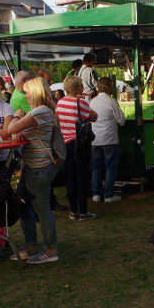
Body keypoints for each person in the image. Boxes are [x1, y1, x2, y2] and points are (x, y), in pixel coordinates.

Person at [7, 78, 60, 264]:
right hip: (32, 167)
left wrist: (16, 116)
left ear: (36, 92)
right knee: (24, 206)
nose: (26, 96)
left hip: (39, 168)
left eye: (27, 92)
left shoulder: (40, 111)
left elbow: (10, 128)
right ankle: (31, 246)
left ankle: (50, 250)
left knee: (42, 209)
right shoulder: (42, 112)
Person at [56, 75, 98, 220]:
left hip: (66, 143)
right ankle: (83, 211)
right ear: (76, 88)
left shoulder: (60, 103)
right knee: (82, 176)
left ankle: (73, 210)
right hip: (80, 143)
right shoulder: (81, 103)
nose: (82, 87)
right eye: (81, 85)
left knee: (71, 177)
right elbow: (94, 117)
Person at [89, 77, 126, 203]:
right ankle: (109, 194)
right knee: (110, 167)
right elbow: (121, 121)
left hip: (95, 139)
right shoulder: (112, 101)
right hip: (110, 139)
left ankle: (96, 194)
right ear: (109, 87)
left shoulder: (92, 102)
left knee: (96, 167)